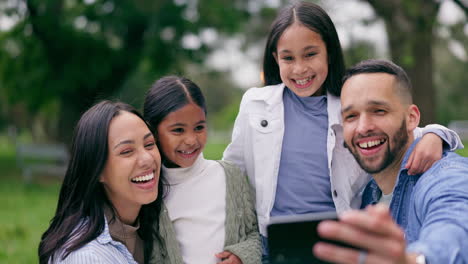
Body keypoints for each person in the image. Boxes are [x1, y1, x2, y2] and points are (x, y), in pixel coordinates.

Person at [222, 1, 463, 260]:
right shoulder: (256, 104)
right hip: (274, 241)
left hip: (338, 237)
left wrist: (436, 134)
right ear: (275, 59)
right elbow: (233, 176)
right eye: (288, 58)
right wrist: (242, 247)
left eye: (310, 54)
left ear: (329, 52)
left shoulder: (347, 105)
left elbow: (400, 132)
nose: (300, 68)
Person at [313, 59, 468, 264]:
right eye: (351, 116)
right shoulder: (366, 194)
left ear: (411, 118)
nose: (362, 127)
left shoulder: (445, 176)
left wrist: (415, 261)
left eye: (378, 111)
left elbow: (456, 224)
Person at [143, 76, 261, 264]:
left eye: (199, 127)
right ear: (154, 132)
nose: (191, 140)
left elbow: (253, 234)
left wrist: (241, 256)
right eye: (178, 130)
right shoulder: (149, 190)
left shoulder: (229, 175)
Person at [38, 101, 164, 264]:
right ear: (96, 170)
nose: (147, 159)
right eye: (126, 151)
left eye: (149, 144)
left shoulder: (151, 225)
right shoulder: (87, 258)